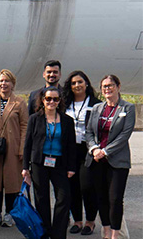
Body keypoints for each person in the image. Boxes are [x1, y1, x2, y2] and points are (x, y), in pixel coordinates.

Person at [84, 75, 136, 239]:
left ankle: (115, 234)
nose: (107, 89)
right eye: (104, 86)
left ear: (118, 86)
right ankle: (106, 232)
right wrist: (93, 149)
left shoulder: (127, 108)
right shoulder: (97, 108)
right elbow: (89, 132)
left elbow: (124, 135)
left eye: (110, 85)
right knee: (101, 198)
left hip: (117, 161)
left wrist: (105, 151)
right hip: (97, 160)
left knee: (115, 200)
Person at [22, 86, 76, 239]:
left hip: (60, 163)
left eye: (55, 99)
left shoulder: (67, 121)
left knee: (64, 198)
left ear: (60, 101)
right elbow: (27, 144)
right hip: (40, 163)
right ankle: (45, 231)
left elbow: (71, 146)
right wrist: (25, 167)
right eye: (48, 99)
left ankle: (58, 233)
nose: (52, 102)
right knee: (41, 199)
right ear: (43, 100)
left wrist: (71, 167)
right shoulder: (34, 119)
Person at [0, 69, 28, 228]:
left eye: (7, 81)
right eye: (1, 81)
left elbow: (24, 126)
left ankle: (9, 213)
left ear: (13, 84)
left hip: (13, 146)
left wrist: (22, 148)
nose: (4, 84)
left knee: (11, 182)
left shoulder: (20, 103)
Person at [61, 71, 100, 235]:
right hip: (69, 150)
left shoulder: (96, 104)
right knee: (72, 187)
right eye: (73, 83)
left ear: (86, 84)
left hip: (88, 149)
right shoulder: (64, 104)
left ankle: (90, 221)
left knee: (86, 186)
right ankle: (77, 220)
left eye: (80, 82)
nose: (77, 85)